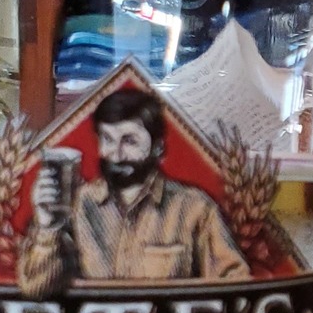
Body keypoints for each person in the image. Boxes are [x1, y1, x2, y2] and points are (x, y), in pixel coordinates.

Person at [18, 87, 249, 297]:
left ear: (158, 147)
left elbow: (234, 290)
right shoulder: (75, 205)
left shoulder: (196, 209)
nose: (116, 155)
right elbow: (36, 290)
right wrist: (47, 226)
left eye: (129, 141)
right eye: (107, 139)